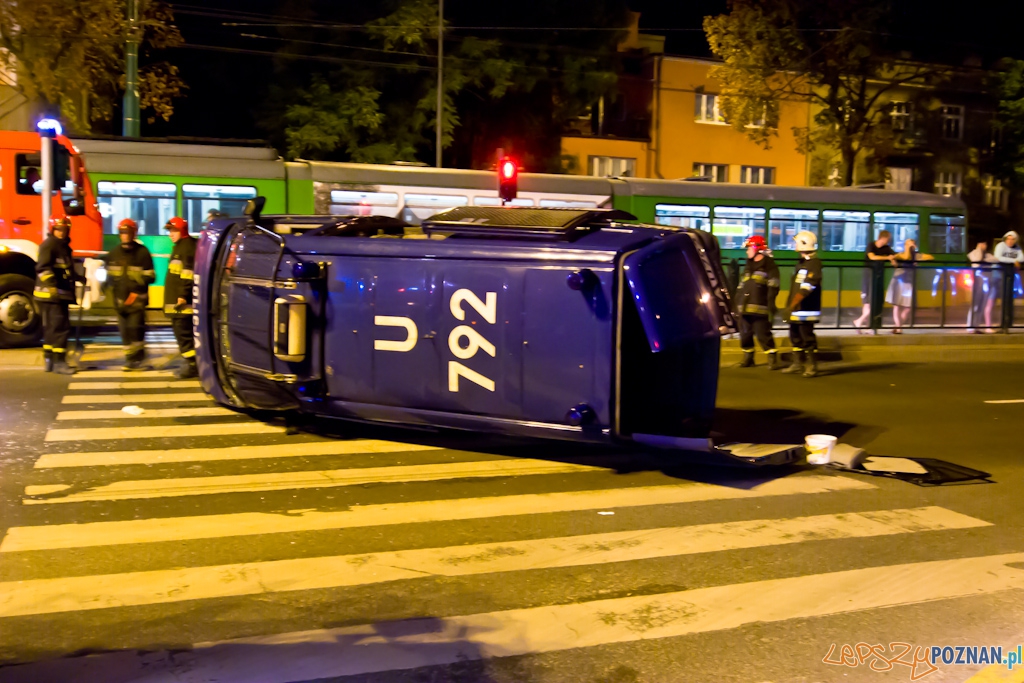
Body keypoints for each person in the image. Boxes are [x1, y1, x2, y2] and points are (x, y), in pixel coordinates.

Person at [105, 218, 156, 370]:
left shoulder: (142, 253)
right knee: (125, 333)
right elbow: (109, 277)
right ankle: (130, 359)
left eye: (128, 233)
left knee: (136, 331)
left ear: (134, 233)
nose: (125, 236)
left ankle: (138, 360)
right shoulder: (113, 254)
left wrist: (136, 288)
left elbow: (151, 276)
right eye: (122, 233)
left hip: (137, 302)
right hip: (119, 302)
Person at [34, 217, 81, 375]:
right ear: (53, 229)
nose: (61, 233)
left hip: (52, 295)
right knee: (60, 328)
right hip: (54, 295)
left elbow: (65, 269)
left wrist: (78, 277)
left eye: (64, 230)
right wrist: (52, 285)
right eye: (58, 229)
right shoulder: (51, 245)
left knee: (51, 328)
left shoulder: (63, 247)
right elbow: (42, 268)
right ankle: (59, 362)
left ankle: (49, 360)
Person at [734, 235, 781, 369]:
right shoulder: (748, 267)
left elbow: (774, 286)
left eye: (749, 248)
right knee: (745, 334)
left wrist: (770, 304)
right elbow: (741, 287)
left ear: (757, 249)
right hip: (744, 307)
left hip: (760, 308)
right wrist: (736, 305)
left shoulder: (770, 267)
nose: (747, 251)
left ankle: (772, 357)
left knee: (763, 334)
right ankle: (748, 358)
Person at [781, 230, 823, 377]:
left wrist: (793, 304)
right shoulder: (802, 263)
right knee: (795, 335)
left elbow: (808, 286)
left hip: (806, 308)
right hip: (796, 307)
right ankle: (798, 363)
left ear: (804, 243)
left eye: (797, 242)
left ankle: (812, 365)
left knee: (807, 336)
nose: (794, 245)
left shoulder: (814, 264)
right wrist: (790, 305)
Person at [164, 216, 198, 378]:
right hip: (178, 302)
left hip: (182, 304)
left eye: (173, 230)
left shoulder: (186, 248)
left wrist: (183, 295)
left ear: (182, 230)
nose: (170, 233)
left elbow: (188, 274)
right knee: (182, 332)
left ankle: (192, 365)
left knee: (183, 332)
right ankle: (190, 363)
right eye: (170, 230)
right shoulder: (180, 246)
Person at [851, 230, 897, 332]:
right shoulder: (871, 245)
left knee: (872, 302)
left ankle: (864, 324)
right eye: (888, 239)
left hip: (878, 276)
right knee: (868, 302)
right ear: (883, 238)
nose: (888, 241)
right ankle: (861, 322)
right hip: (869, 275)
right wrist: (887, 258)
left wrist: (893, 259)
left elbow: (894, 257)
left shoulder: (887, 248)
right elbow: (872, 257)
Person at [885, 238, 934, 334]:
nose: (911, 245)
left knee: (908, 307)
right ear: (904, 245)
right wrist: (908, 248)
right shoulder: (900, 254)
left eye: (912, 243)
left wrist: (916, 249)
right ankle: (899, 328)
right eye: (908, 243)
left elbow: (930, 257)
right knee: (896, 305)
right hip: (898, 282)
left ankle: (897, 326)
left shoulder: (916, 255)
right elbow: (905, 257)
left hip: (908, 284)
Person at [967, 241, 998, 333]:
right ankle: (971, 326)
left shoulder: (988, 255)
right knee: (975, 304)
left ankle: (976, 325)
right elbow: (977, 261)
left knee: (982, 304)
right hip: (977, 282)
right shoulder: (973, 253)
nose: (983, 246)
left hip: (985, 283)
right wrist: (979, 250)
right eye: (981, 244)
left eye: (985, 244)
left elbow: (996, 260)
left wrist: (984, 258)